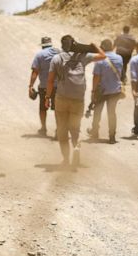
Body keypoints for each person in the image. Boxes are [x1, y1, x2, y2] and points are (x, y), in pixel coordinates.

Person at [45, 35, 106, 165]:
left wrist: (47, 97)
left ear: (62, 45)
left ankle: (66, 159)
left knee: (62, 130)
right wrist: (93, 44)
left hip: (61, 98)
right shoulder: (83, 57)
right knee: (75, 128)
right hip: (78, 100)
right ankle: (76, 147)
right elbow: (103, 56)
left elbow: (50, 81)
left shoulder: (57, 58)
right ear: (74, 44)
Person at [87, 39, 124, 143]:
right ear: (112, 47)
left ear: (102, 48)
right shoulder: (119, 58)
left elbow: (96, 77)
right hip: (115, 90)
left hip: (102, 90)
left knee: (97, 113)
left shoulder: (100, 60)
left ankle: (95, 133)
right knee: (112, 113)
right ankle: (112, 136)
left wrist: (93, 92)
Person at [29, 36, 60, 136]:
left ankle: (43, 128)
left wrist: (30, 86)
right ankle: (58, 130)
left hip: (44, 86)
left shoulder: (39, 55)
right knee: (57, 109)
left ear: (42, 45)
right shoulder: (59, 53)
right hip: (57, 86)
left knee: (42, 108)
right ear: (50, 44)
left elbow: (35, 72)